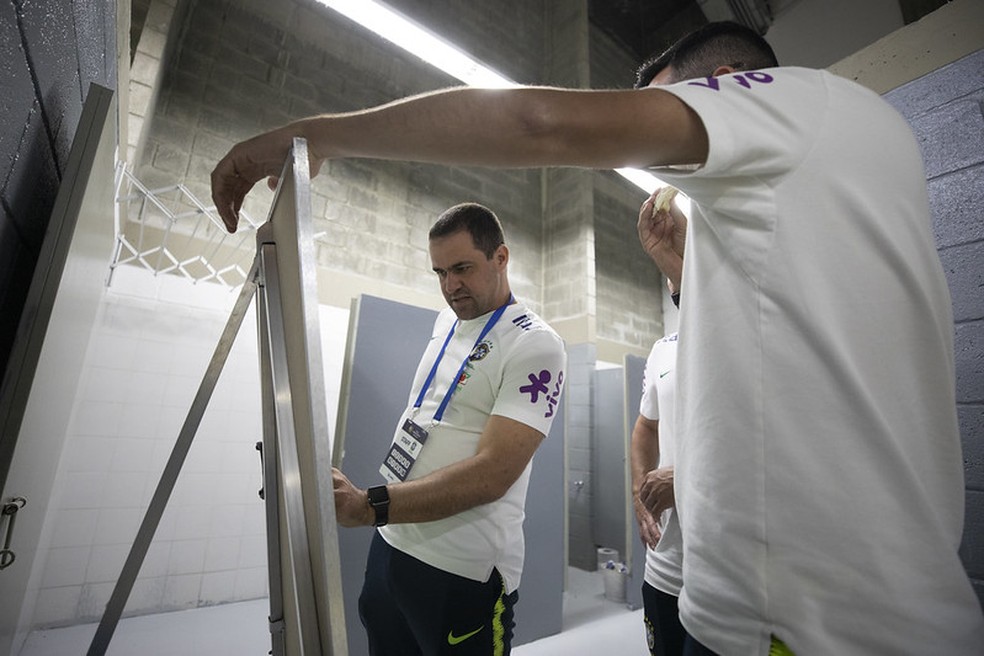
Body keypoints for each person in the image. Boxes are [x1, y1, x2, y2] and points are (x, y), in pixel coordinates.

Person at [212, 21, 984, 655]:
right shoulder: (832, 173)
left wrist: (322, 138)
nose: (658, 161)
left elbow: (536, 121)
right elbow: (779, 356)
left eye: (662, 120)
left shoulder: (798, 103)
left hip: (810, 627)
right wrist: (685, 274)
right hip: (764, 610)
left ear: (725, 84)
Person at [331, 202, 566, 655]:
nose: (450, 285)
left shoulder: (535, 343)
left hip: (463, 567)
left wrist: (369, 505)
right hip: (393, 543)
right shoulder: (446, 322)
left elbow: (494, 473)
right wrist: (382, 517)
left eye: (462, 268)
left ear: (501, 258)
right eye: (439, 273)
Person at [631, 190, 686, 656]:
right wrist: (640, 497)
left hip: (737, 579)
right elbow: (645, 429)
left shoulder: (761, 341)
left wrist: (686, 482)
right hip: (666, 568)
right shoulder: (663, 349)